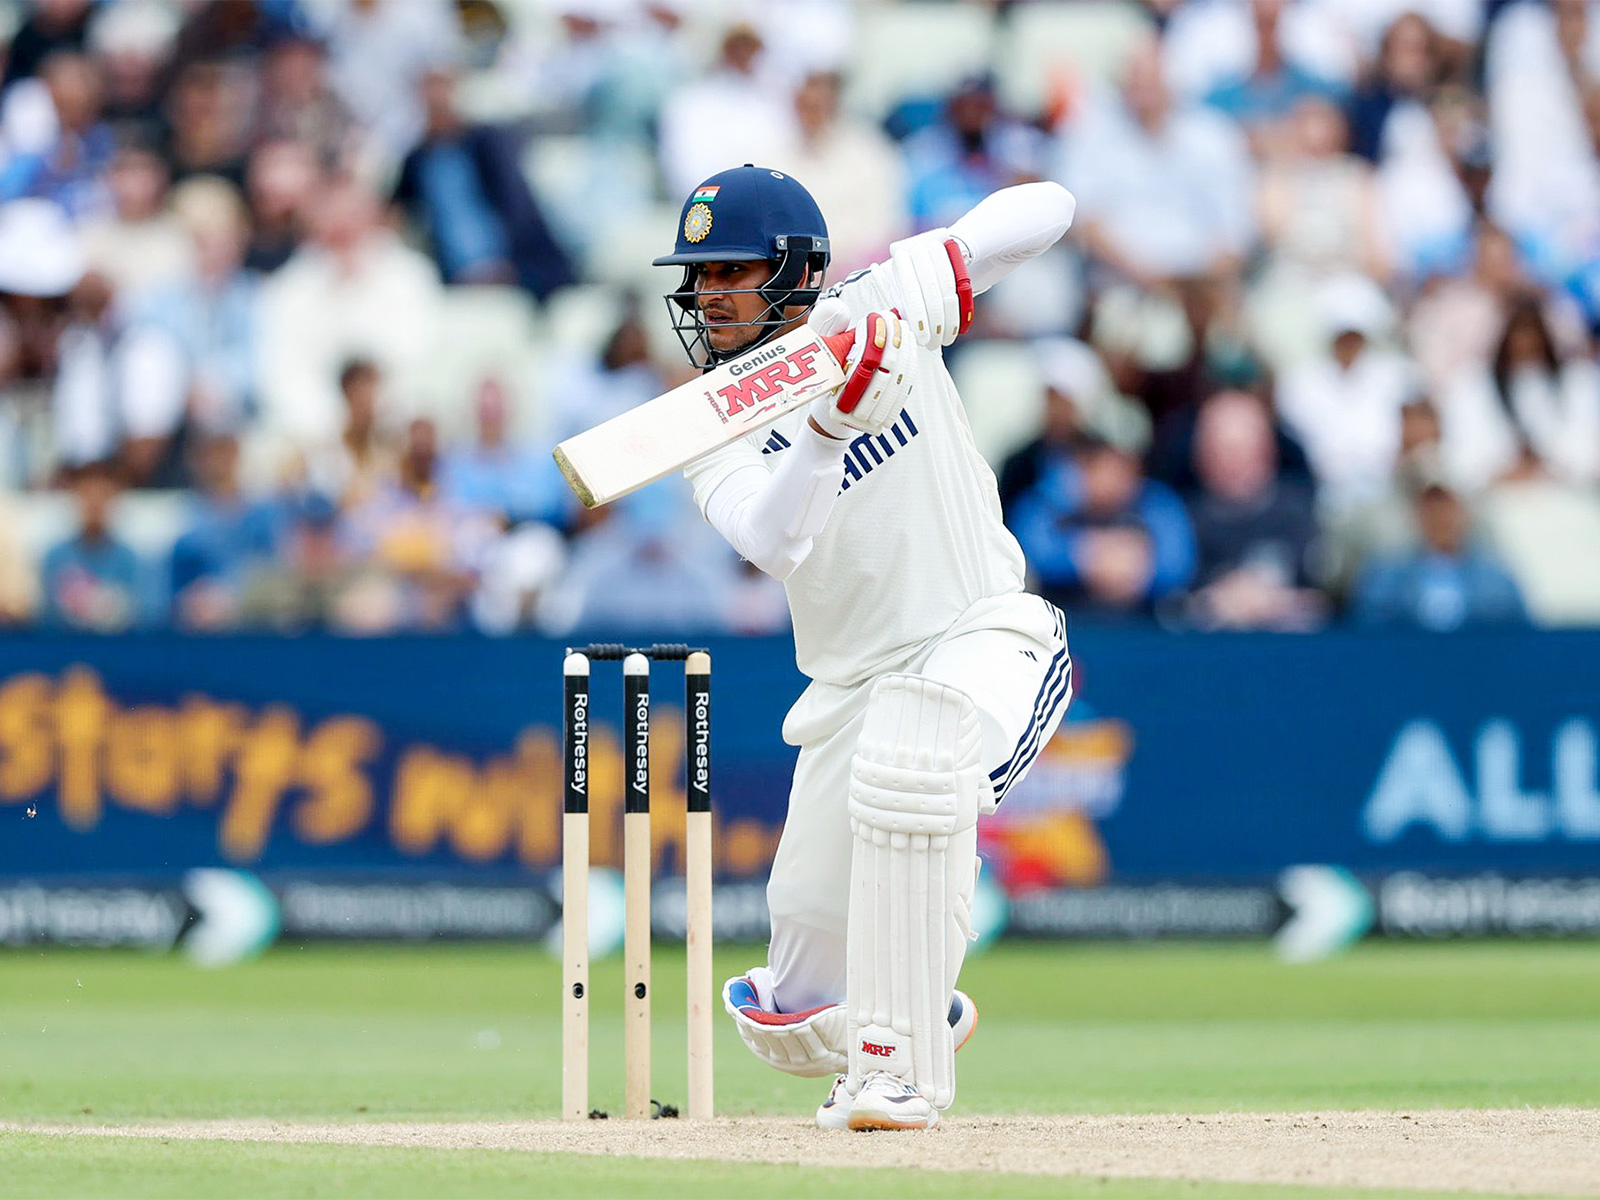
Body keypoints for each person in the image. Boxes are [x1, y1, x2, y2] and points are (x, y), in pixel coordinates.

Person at [655, 165, 1077, 1130]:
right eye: (699, 276)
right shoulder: (710, 426)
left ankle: (898, 1069)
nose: (708, 295)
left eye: (731, 272)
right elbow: (772, 541)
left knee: (916, 770)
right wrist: (826, 429)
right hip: (850, 687)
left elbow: (1049, 207)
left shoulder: (878, 308)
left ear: (797, 272)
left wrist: (930, 262)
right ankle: (915, 1007)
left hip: (984, 632)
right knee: (801, 1004)